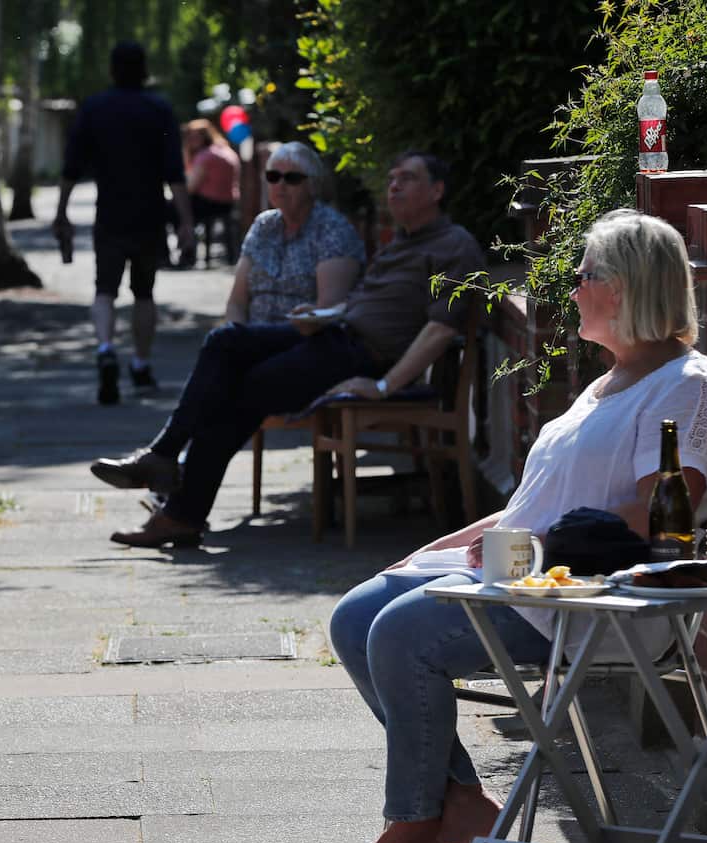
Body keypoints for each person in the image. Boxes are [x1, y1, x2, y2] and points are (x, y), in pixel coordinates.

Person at [327, 208, 707, 843]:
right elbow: (526, 512)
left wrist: (536, 544)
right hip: (522, 574)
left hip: (588, 598)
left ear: (626, 287)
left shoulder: (687, 385)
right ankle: (462, 805)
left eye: (584, 276)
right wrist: (430, 551)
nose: (571, 290)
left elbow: (666, 509)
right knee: (354, 615)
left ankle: (415, 816)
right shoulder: (605, 385)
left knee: (401, 634)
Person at [89, 151, 483, 548]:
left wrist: (383, 387)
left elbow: (440, 330)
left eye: (408, 178)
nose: (395, 185)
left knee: (235, 393)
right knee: (225, 342)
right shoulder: (402, 241)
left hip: (361, 355)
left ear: (437, 191)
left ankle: (174, 496)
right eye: (393, 176)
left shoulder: (453, 247)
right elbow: (366, 307)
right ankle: (167, 473)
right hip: (333, 332)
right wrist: (325, 313)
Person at [52, 40, 194, 405]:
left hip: (110, 215)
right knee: (144, 293)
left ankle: (104, 348)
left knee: (105, 290)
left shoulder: (96, 108)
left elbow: (72, 165)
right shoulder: (159, 110)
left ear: (112, 70)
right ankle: (141, 364)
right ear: (145, 69)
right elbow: (174, 173)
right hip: (149, 216)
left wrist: (62, 211)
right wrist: (186, 222)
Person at [226, 141, 364, 323]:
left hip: (301, 339)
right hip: (251, 338)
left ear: (312, 185)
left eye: (292, 178)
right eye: (273, 176)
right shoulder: (263, 225)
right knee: (217, 342)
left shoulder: (333, 230)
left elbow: (327, 313)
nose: (280, 185)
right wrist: (235, 335)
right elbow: (237, 302)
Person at [175, 118, 241, 267]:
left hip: (210, 203)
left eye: (194, 137)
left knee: (177, 209)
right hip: (229, 203)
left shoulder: (205, 156)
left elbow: (191, 187)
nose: (190, 140)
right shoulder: (225, 150)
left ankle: (187, 251)